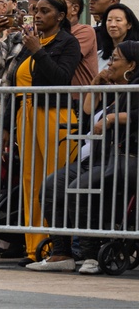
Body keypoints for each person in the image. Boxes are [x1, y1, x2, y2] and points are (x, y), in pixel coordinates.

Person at [0, 0, 81, 265]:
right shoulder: (27, 41)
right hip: (26, 115)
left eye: (44, 11)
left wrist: (38, 50)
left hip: (54, 115)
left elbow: (61, 78)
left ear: (60, 17)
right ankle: (35, 248)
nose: (37, 15)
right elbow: (4, 74)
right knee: (31, 180)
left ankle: (60, 247)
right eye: (35, 10)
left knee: (55, 180)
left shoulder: (67, 43)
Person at [32, 41, 139, 274]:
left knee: (79, 188)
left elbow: (133, 115)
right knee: (52, 185)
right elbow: (89, 111)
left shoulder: (135, 88)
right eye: (109, 58)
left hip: (123, 159)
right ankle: (61, 252)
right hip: (95, 159)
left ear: (131, 64)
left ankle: (91, 255)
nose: (109, 63)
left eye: (115, 59)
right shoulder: (113, 89)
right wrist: (95, 83)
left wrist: (112, 119)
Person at [52, 0, 99, 89]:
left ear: (74, 9)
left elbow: (61, 57)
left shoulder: (85, 31)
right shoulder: (46, 33)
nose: (52, 7)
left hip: (79, 100)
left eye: (57, 3)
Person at [95, 3, 139, 72]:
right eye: (109, 20)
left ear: (129, 25)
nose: (112, 25)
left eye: (118, 20)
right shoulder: (98, 55)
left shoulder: (136, 52)